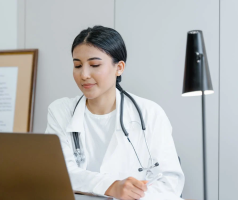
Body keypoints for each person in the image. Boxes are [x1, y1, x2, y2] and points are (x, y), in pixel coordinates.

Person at [45, 25, 184, 199]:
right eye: (78, 65)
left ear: (119, 68)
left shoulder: (150, 113)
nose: (84, 74)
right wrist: (111, 186)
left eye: (94, 64)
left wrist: (129, 193)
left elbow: (170, 183)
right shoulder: (61, 111)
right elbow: (60, 174)